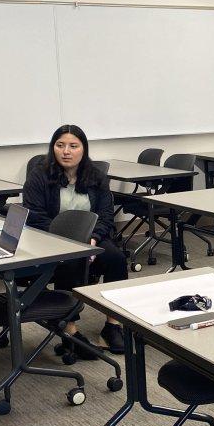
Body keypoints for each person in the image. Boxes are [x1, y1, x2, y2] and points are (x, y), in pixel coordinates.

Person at [23, 125, 127, 356]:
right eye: (60, 145)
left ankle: (113, 325)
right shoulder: (39, 176)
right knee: (70, 261)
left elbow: (106, 215)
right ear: (53, 148)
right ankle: (69, 329)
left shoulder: (96, 177)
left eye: (73, 146)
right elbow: (35, 216)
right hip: (52, 240)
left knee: (117, 259)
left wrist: (93, 238)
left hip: (91, 239)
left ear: (83, 149)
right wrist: (68, 242)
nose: (66, 151)